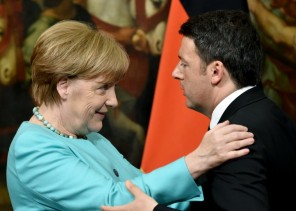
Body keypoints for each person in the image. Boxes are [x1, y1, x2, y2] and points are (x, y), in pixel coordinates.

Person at [5, 20, 255, 210]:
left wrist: (226, 187)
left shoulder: (88, 136)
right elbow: (116, 201)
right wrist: (198, 160)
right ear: (63, 86)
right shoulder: (32, 148)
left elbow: (147, 188)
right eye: (103, 87)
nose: (113, 101)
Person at [101, 9, 296, 211]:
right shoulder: (267, 113)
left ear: (215, 72)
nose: (175, 72)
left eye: (184, 64)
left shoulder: (235, 138)